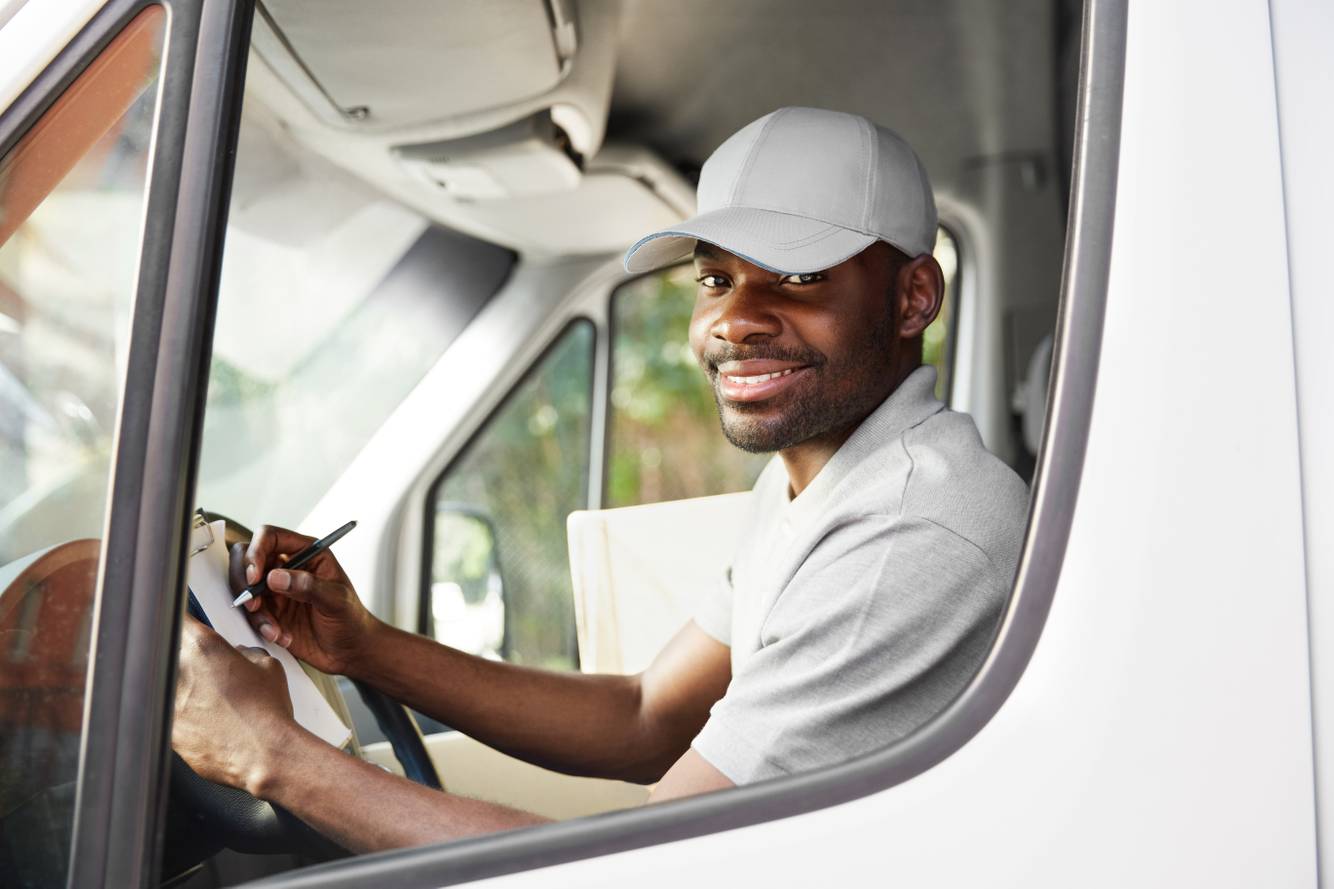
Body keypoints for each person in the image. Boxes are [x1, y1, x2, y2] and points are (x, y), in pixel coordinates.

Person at [172, 107, 1029, 852]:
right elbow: (647, 717)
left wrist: (273, 756)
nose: (734, 317)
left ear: (915, 296)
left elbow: (646, 869)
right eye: (716, 278)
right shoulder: (828, 478)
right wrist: (365, 647)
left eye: (799, 274)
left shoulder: (909, 531)